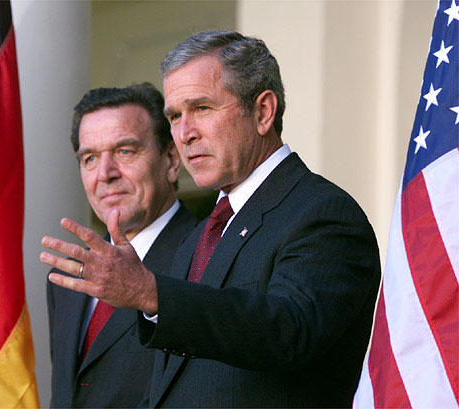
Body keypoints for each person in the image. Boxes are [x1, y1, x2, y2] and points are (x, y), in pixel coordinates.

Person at [41, 31, 381, 408]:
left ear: (263, 112)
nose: (185, 133)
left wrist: (150, 293)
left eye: (201, 108)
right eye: (174, 116)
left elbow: (289, 331)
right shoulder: (204, 233)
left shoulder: (322, 214)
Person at [45, 83, 197, 408]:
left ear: (172, 160)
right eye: (89, 158)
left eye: (125, 151)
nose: (105, 174)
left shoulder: (209, 256)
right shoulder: (67, 279)